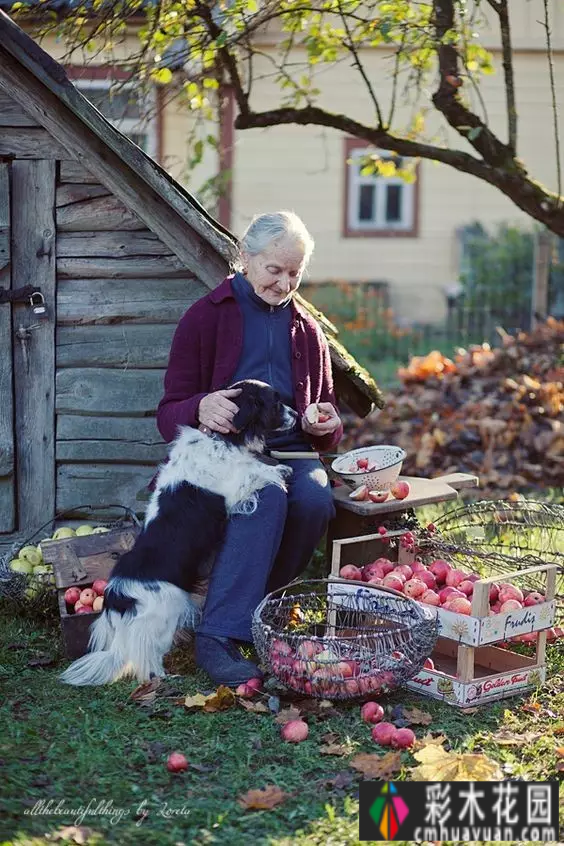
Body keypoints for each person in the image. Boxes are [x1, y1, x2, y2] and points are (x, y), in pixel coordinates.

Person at [156, 211, 343, 685]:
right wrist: (200, 406)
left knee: (316, 499)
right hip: (228, 454)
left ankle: (263, 611)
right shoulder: (207, 316)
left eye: (294, 273)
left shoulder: (307, 329)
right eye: (273, 270)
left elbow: (328, 423)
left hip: (292, 450)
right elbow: (168, 412)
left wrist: (325, 424)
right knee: (265, 496)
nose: (283, 284)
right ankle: (217, 637)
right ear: (245, 258)